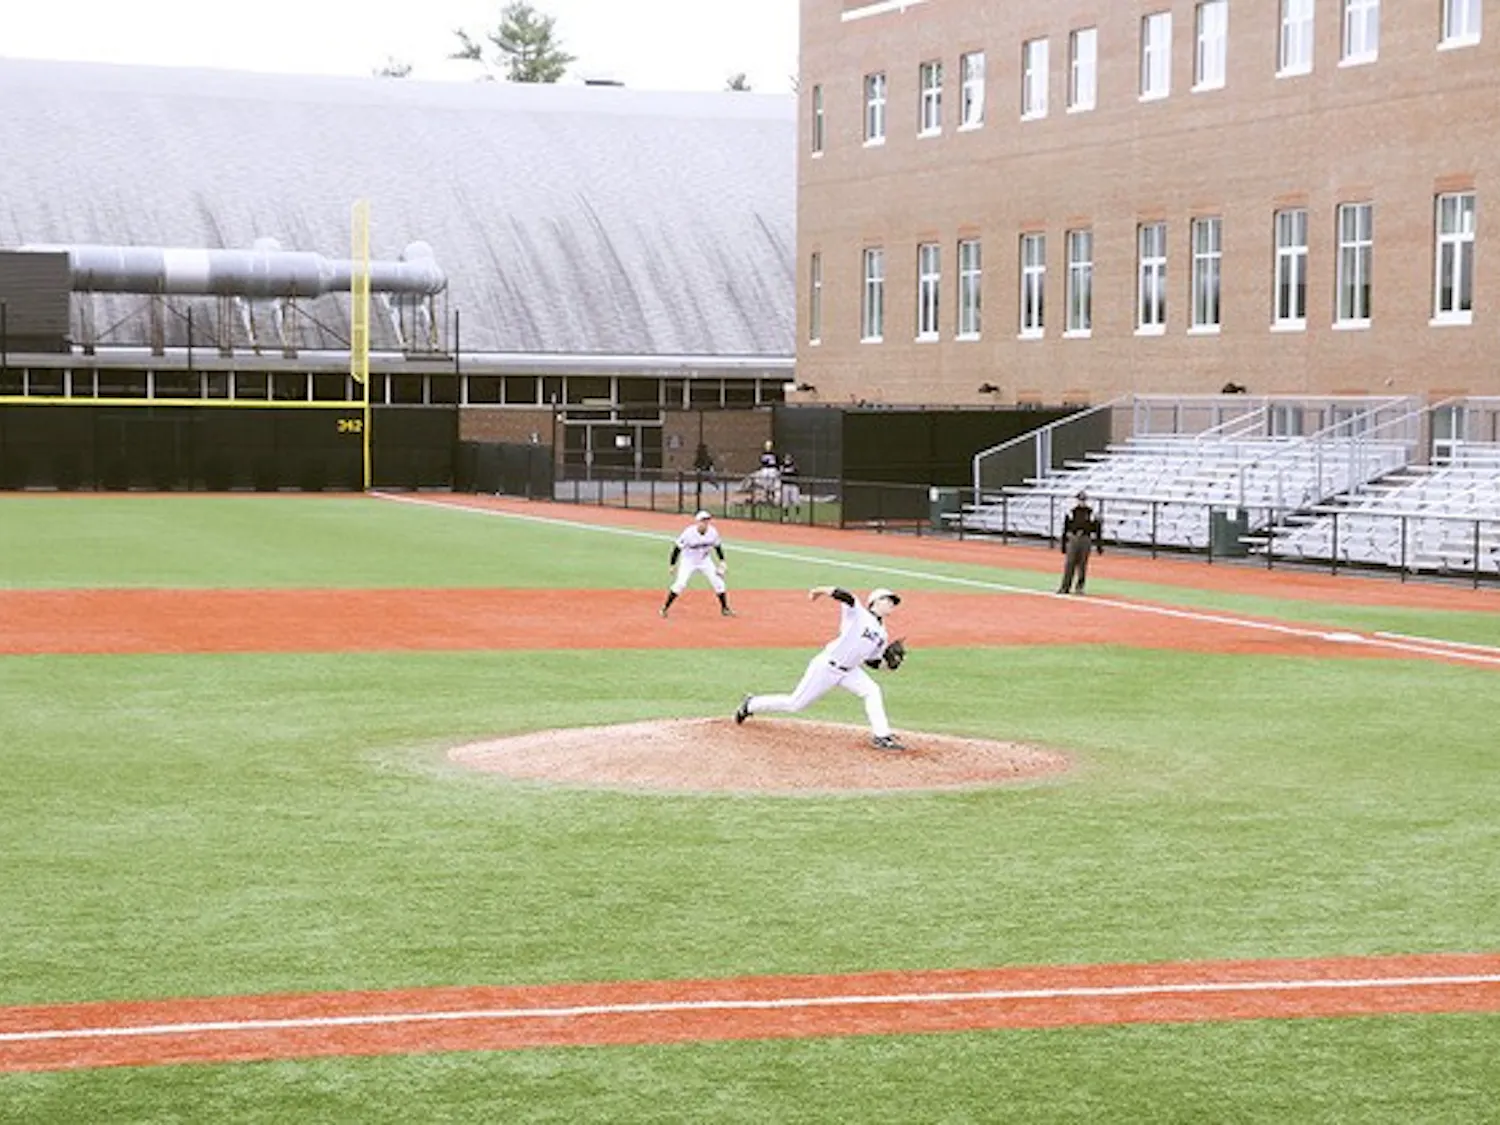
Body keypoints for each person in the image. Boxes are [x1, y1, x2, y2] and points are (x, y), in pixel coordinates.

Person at [734, 586, 906, 751]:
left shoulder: (883, 634)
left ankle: (881, 736)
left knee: (872, 691)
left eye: (893, 602)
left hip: (850, 671)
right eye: (888, 600)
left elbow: (871, 660)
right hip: (827, 666)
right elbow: (846, 596)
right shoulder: (858, 614)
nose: (891, 604)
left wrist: (887, 665)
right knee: (795, 704)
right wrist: (821, 590)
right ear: (875, 601)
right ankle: (750, 704)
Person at [661, 510, 734, 617]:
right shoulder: (688, 533)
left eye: (707, 520)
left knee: (719, 583)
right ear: (697, 522)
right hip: (688, 561)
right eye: (703, 520)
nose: (705, 523)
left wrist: (722, 561)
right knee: (680, 584)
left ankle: (725, 608)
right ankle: (665, 608)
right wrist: (672, 565)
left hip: (705, 561)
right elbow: (677, 548)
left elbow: (717, 546)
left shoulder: (713, 532)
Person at [1058, 491, 1102, 595]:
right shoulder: (1072, 512)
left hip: (1085, 538)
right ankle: (1065, 587)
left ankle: (1079, 587)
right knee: (1070, 563)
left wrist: (1099, 545)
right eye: (1080, 499)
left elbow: (1096, 529)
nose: (1081, 502)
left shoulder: (1090, 512)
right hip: (1074, 538)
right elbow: (1065, 528)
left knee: (1082, 564)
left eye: (1083, 500)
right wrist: (1063, 544)